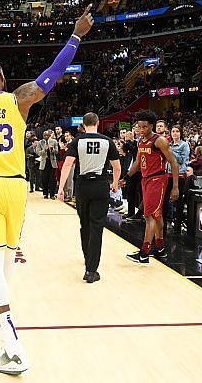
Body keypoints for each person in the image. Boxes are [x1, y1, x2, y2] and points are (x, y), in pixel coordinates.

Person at [0, 5, 94, 375]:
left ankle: (12, 342)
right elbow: (54, 74)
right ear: (3, 79)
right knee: (6, 258)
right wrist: (76, 36)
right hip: (16, 188)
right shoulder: (20, 97)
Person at [57, 113, 120, 283]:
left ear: (83, 125)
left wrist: (61, 188)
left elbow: (68, 164)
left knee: (84, 225)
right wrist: (114, 183)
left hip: (83, 187)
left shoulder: (77, 141)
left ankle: (87, 260)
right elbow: (117, 166)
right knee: (97, 227)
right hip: (100, 186)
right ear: (98, 124)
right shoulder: (108, 141)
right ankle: (91, 270)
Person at [119, 110, 180, 263]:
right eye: (139, 127)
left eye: (145, 127)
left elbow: (173, 162)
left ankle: (144, 252)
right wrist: (126, 177)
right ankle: (160, 248)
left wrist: (175, 187)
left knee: (149, 216)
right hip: (145, 179)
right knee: (157, 216)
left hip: (158, 179)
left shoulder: (159, 141)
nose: (141, 130)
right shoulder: (141, 141)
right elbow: (138, 162)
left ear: (151, 126)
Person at [164, 125, 189, 234]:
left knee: (178, 202)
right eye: (173, 131)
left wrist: (170, 151)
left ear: (181, 133)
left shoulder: (184, 145)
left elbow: (181, 160)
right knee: (165, 200)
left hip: (179, 175)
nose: (175, 133)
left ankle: (177, 227)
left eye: (177, 131)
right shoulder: (168, 144)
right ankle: (163, 224)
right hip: (168, 174)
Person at [36, 130, 59, 199]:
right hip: (44, 163)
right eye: (44, 135)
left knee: (52, 179)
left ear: (49, 136)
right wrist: (45, 150)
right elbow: (38, 153)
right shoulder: (40, 143)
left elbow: (57, 151)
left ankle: (52, 194)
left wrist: (52, 149)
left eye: (47, 135)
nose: (46, 136)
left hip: (52, 163)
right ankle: (45, 194)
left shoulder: (54, 141)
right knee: (44, 179)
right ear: (43, 136)